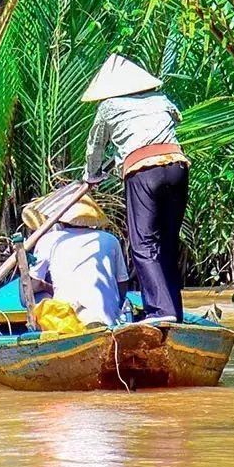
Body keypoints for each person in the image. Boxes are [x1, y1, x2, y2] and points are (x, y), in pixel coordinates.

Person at [81, 53, 187, 325]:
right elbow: (175, 120)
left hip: (143, 172)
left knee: (143, 245)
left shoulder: (108, 106)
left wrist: (91, 176)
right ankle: (175, 311)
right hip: (177, 166)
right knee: (167, 244)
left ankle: (160, 312)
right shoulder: (161, 100)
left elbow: (95, 147)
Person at [19, 192, 129, 327]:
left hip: (69, 322)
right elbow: (122, 286)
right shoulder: (110, 240)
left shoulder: (49, 240)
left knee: (31, 295)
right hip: (109, 319)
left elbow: (29, 290)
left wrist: (44, 287)